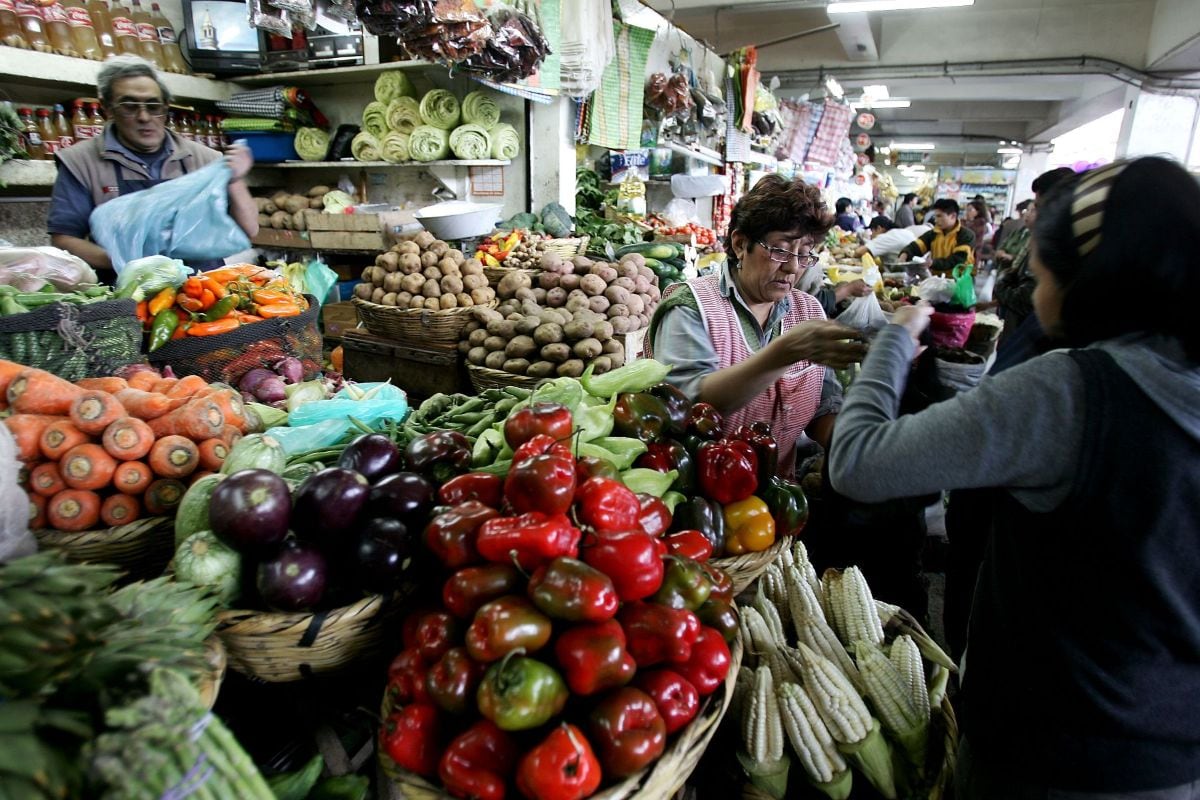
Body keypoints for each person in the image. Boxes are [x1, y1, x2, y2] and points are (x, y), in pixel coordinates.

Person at [829, 156, 1200, 799]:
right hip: (1174, 754)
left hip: (1050, 753)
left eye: (1043, 261)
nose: (1027, 274)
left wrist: (896, 337)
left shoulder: (1071, 391)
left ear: (1093, 280)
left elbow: (859, 461)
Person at [646, 175, 866, 474]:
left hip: (775, 495)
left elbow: (823, 405)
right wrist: (782, 354)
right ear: (740, 243)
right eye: (780, 249)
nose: (792, 267)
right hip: (697, 492)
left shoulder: (807, 310)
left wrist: (857, 446)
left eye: (805, 253)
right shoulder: (692, 306)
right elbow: (688, 405)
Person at [48, 55, 259, 278]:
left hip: (203, 289)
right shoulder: (81, 162)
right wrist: (125, 261)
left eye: (153, 106)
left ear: (166, 108)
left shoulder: (204, 159)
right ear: (108, 109)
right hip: (129, 291)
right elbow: (64, 238)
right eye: (129, 106)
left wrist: (234, 178)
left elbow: (249, 229)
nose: (144, 116)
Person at [897, 198, 975, 273]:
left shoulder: (966, 235)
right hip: (938, 279)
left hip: (960, 281)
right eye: (936, 216)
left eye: (939, 216)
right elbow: (917, 246)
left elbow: (956, 260)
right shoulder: (933, 234)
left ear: (953, 216)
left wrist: (933, 263)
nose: (936, 220)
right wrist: (905, 253)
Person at [853, 215, 926, 260]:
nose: (871, 235)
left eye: (872, 231)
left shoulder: (885, 237)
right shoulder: (902, 232)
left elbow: (859, 252)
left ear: (879, 228)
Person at [963, 199, 993, 265]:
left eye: (970, 210)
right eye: (967, 210)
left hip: (970, 257)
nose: (967, 212)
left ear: (978, 212)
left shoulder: (979, 225)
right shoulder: (968, 223)